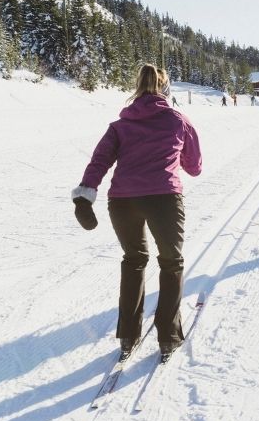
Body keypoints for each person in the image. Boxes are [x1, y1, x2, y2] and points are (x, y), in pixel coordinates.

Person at [71, 64, 202, 361]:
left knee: (134, 260)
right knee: (171, 263)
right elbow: (194, 166)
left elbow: (99, 160)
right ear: (165, 90)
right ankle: (168, 336)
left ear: (137, 88)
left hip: (122, 201)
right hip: (163, 198)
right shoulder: (179, 120)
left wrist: (85, 194)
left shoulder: (120, 124)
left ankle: (128, 335)